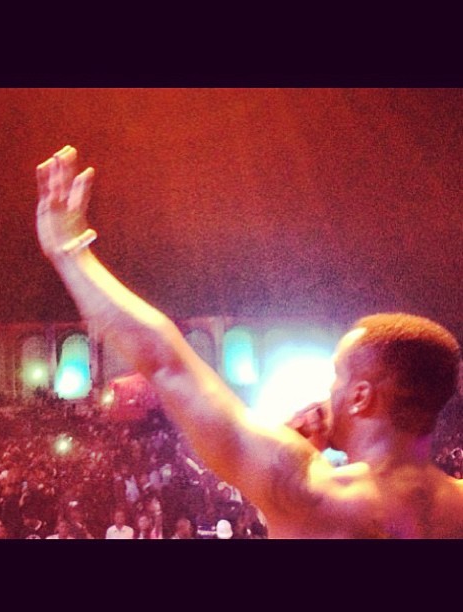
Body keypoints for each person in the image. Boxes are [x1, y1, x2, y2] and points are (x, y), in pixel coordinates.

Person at [35, 145, 463, 539]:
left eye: (337, 377)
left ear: (361, 397)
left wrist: (69, 252)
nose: (328, 391)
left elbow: (167, 363)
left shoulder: (307, 490)